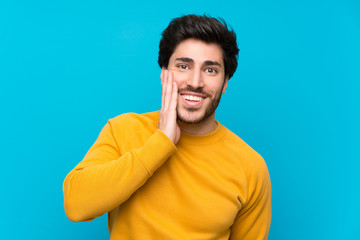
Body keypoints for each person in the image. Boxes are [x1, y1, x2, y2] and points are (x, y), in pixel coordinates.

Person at [63, 14, 271, 240]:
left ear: (225, 83)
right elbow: (76, 205)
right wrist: (161, 142)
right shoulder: (123, 130)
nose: (195, 82)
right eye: (183, 66)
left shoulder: (251, 167)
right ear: (164, 73)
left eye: (210, 70)